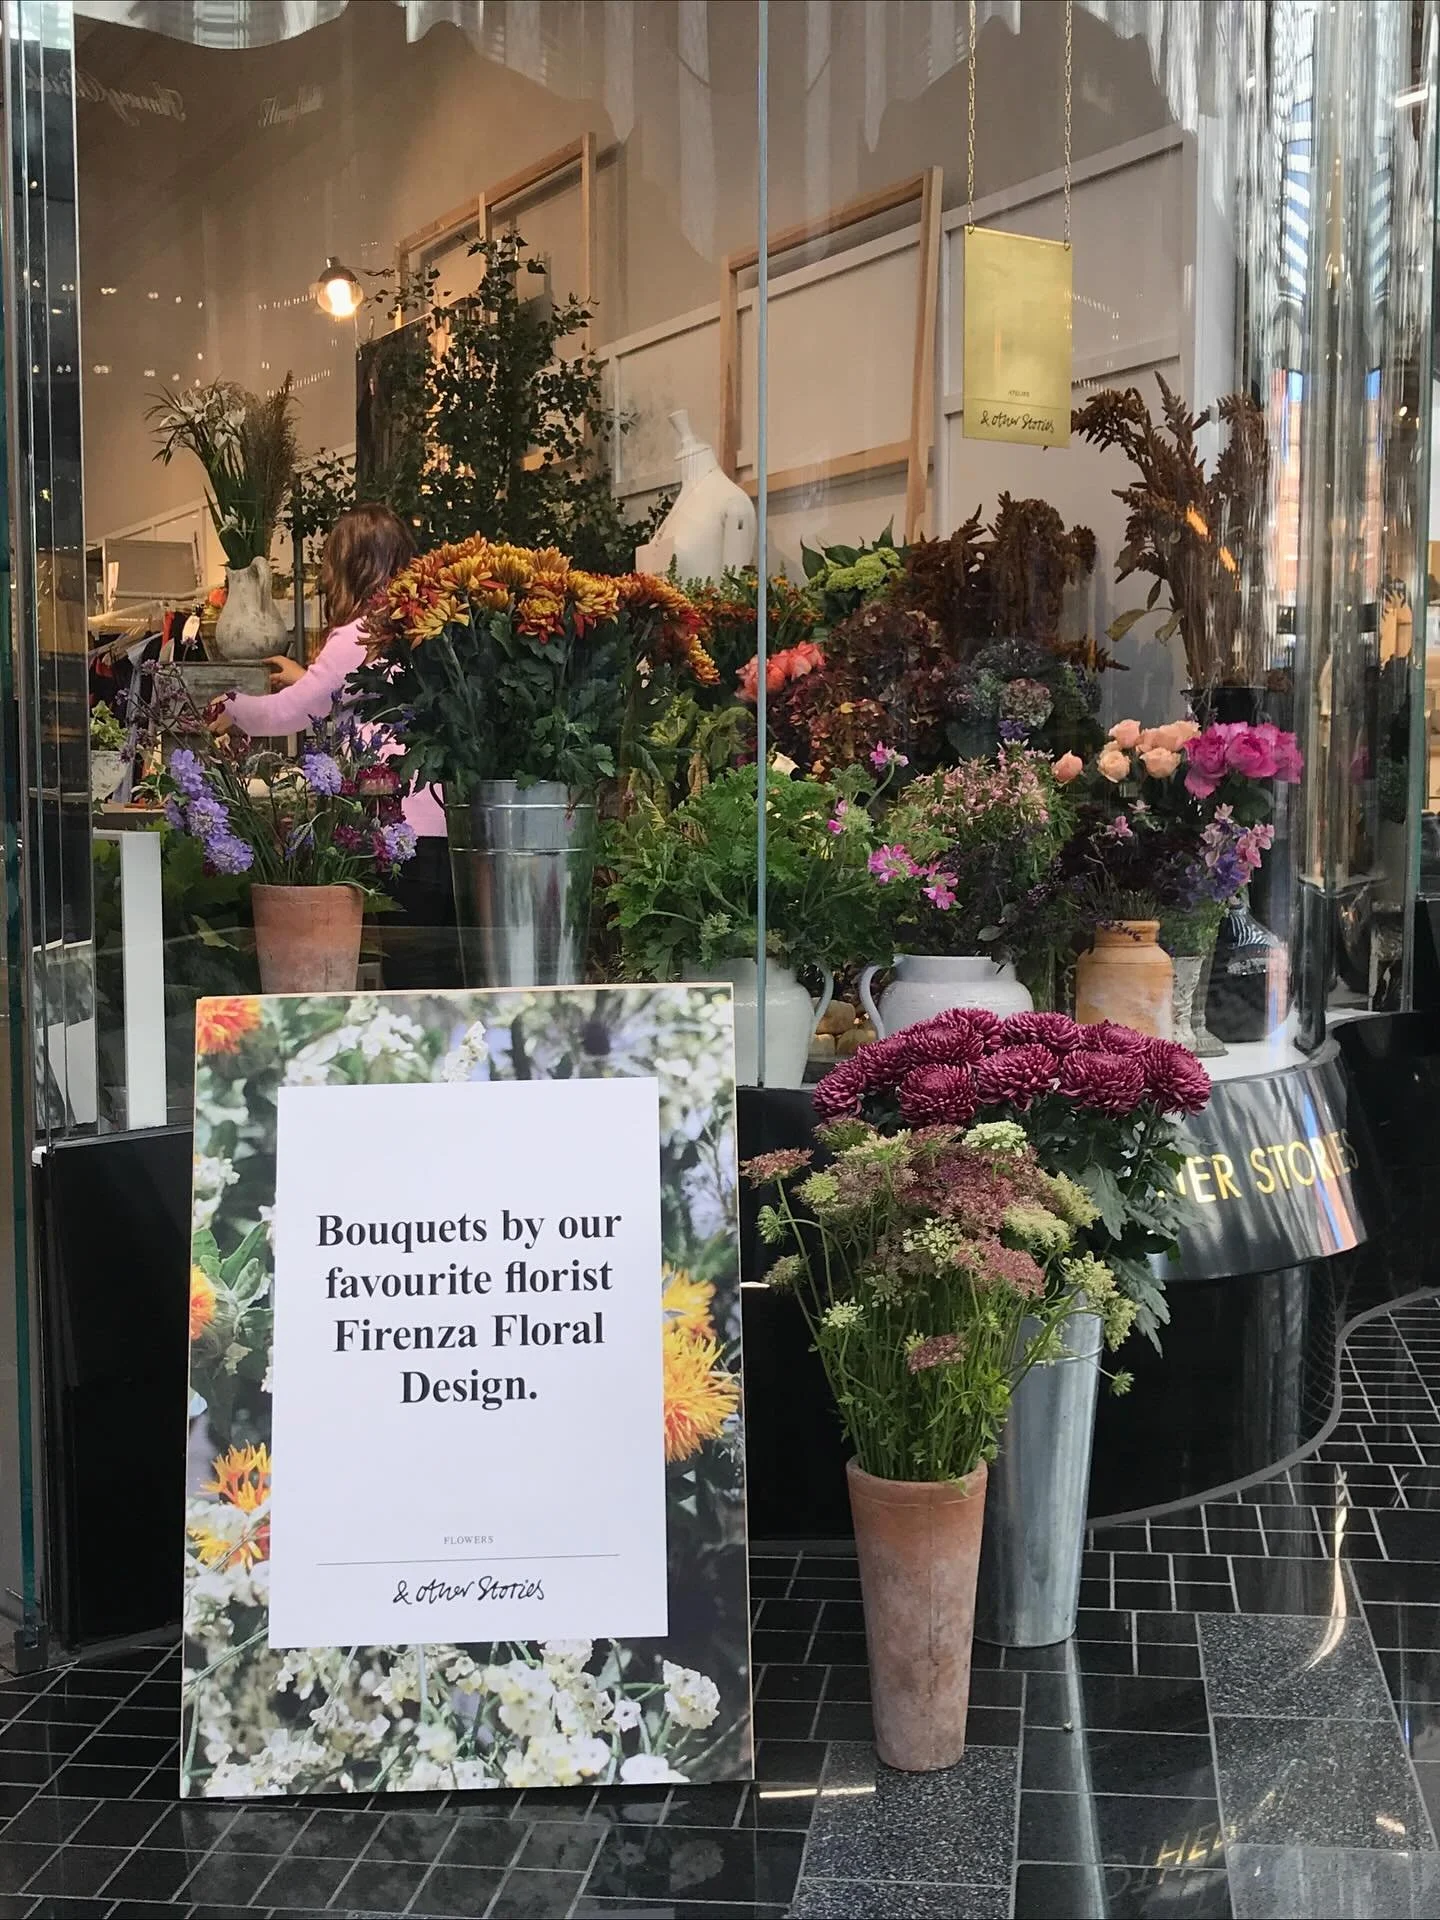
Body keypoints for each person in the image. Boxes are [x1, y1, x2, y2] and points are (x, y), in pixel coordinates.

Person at [216, 502, 456, 988]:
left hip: (395, 822)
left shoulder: (358, 634)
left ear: (352, 566)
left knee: (411, 968)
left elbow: (294, 710)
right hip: (441, 818)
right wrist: (308, 677)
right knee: (437, 964)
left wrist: (230, 708)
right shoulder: (416, 630)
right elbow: (357, 699)